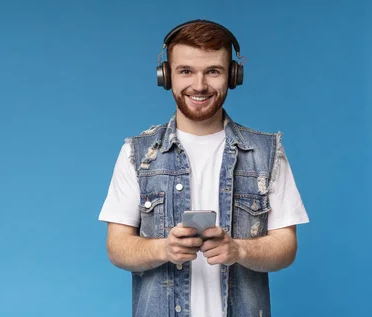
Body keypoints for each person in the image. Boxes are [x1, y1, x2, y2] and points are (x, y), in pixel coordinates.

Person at [98, 19, 309, 317]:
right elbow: (117, 247)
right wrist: (163, 249)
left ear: (233, 75)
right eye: (186, 71)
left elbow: (286, 247)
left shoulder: (266, 153)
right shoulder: (138, 153)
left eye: (213, 71)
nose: (199, 85)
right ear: (166, 75)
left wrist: (240, 250)